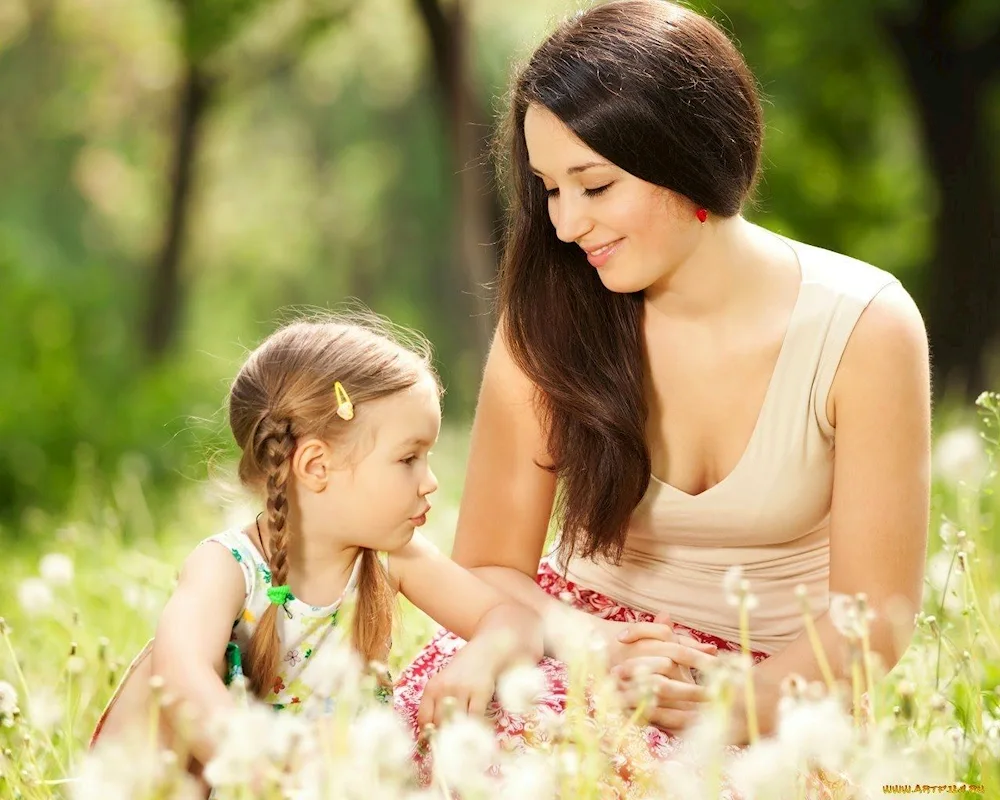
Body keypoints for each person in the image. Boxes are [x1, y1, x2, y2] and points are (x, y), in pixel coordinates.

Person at [396, 0, 931, 753]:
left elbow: (875, 618)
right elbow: (488, 567)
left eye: (594, 185)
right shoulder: (547, 318)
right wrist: (594, 648)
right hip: (570, 646)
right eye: (549, 188)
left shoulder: (866, 327)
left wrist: (731, 700)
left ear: (688, 157)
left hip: (784, 686)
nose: (564, 224)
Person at [90, 317, 544, 778]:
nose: (430, 481)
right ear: (316, 466)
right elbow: (179, 675)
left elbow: (515, 620)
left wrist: (482, 657)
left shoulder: (391, 559)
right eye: (408, 458)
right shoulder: (227, 567)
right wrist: (271, 771)